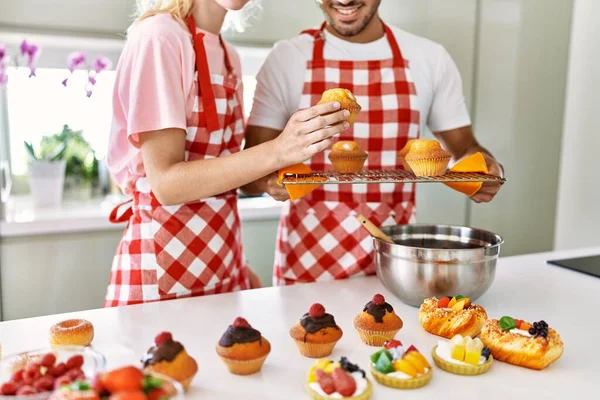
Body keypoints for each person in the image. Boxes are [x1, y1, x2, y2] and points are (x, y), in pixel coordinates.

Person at [105, 0, 350, 306]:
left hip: (224, 265)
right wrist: (278, 149)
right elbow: (166, 185)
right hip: (160, 274)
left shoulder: (229, 55)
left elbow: (226, 171)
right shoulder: (159, 37)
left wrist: (263, 183)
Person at [242, 0, 504, 286]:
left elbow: (464, 147)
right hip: (307, 265)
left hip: (398, 262)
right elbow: (250, 174)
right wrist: (268, 182)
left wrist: (484, 168)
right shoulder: (287, 58)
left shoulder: (429, 57)